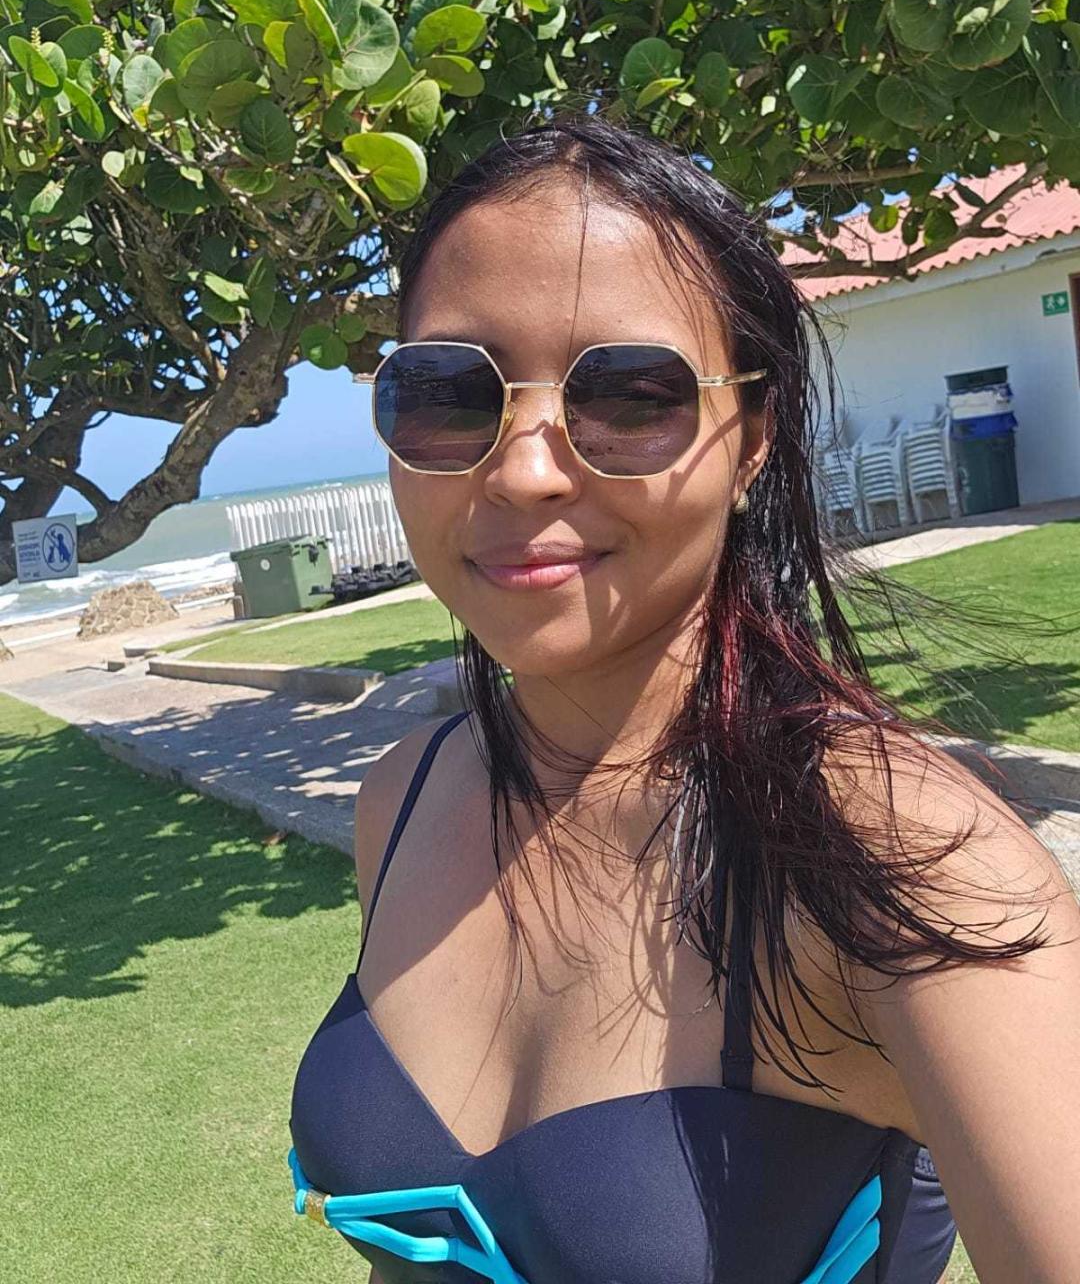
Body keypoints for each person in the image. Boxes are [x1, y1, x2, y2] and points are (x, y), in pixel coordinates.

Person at [288, 115, 1080, 1283]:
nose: (523, 469)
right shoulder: (403, 800)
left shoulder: (896, 858)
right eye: (449, 391)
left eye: (630, 394)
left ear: (752, 437)